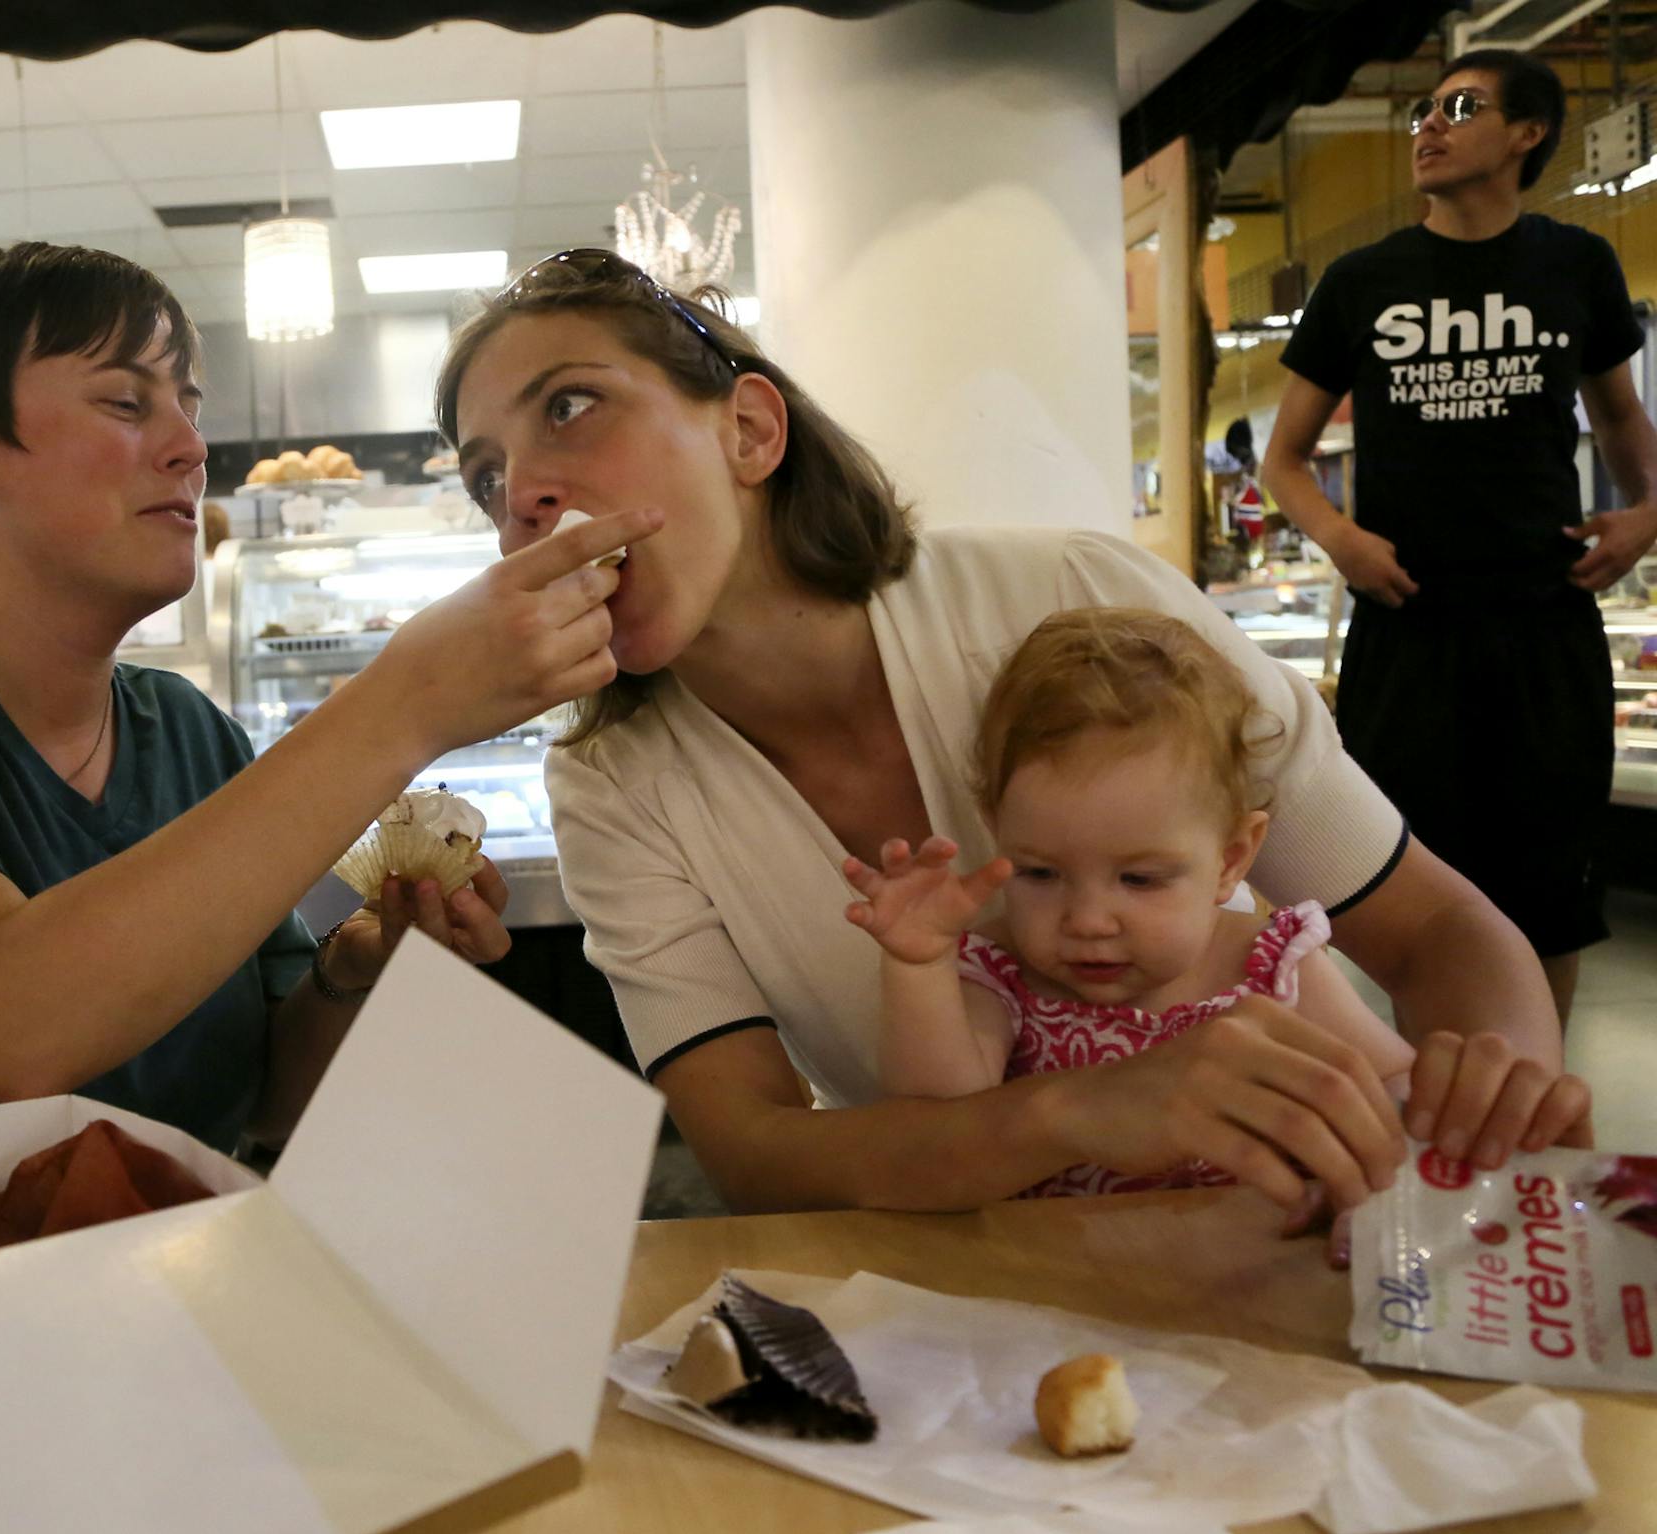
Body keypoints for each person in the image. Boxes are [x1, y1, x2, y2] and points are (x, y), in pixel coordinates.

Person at [436, 247, 1586, 1221]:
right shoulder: (613, 786)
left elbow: (1433, 931)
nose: (525, 491)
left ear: (748, 427)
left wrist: (1492, 1122)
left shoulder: (1072, 596)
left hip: (1273, 1262)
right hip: (962, 1333)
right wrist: (1080, 1109)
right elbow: (754, 1152)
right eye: (486, 477)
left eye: (570, 407)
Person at [0, 242, 653, 1156]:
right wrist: (404, 702)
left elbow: (262, 1100)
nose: (188, 446)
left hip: (113, 1313)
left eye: (189, 404)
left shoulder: (187, 736)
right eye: (128, 405)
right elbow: (10, 1022)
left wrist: (362, 969)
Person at [843, 607, 1589, 1204]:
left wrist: (1468, 1101)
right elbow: (943, 1110)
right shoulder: (1002, 970)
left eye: (1140, 880)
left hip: (1245, 1296)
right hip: (1057, 1297)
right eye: (1041, 873)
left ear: (1232, 856)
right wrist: (920, 967)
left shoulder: (1273, 964)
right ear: (997, 830)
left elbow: (1386, 1092)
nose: (1089, 920)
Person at [1263, 48, 1657, 1032]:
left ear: (1527, 135)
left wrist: (1649, 516)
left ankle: (1535, 1105)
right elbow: (1285, 460)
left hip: (1544, 622)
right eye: (1423, 114)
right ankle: (1438, 1128)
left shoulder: (1576, 265)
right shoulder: (1362, 282)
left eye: (1461, 108)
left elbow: (1618, 422)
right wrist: (1341, 540)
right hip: (1408, 629)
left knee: (1550, 892)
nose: (1427, 129)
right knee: (1419, 895)